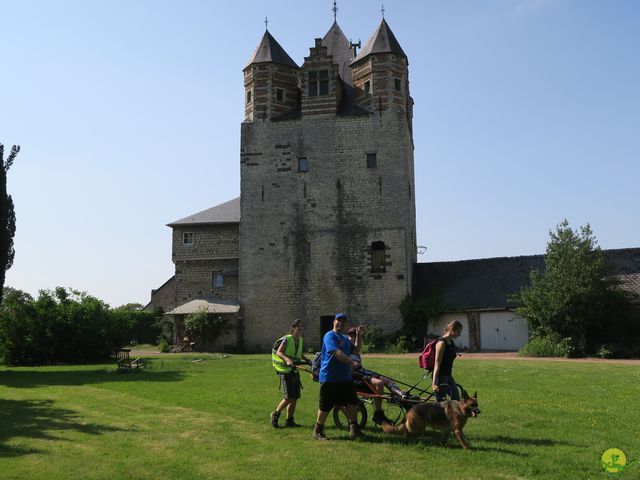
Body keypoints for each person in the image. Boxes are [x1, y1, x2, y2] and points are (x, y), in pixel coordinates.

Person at [312, 313, 365, 441]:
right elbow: (336, 352)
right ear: (334, 322)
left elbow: (356, 350)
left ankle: (354, 429)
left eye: (343, 321)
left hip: (345, 377)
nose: (340, 323)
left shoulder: (346, 339)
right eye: (338, 320)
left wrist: (359, 335)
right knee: (325, 406)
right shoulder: (329, 336)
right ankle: (317, 431)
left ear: (346, 324)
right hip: (330, 377)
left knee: (352, 403)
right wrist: (352, 363)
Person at [346, 327, 391, 425]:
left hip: (362, 374)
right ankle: (378, 414)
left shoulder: (356, 352)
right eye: (350, 336)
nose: (352, 338)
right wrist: (358, 336)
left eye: (354, 336)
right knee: (379, 383)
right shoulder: (346, 349)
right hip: (355, 378)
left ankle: (403, 397)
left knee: (387, 380)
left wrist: (359, 336)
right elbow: (356, 349)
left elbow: (357, 349)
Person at [270, 319, 311, 428]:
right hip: (285, 370)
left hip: (294, 370)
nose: (301, 328)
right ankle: (275, 414)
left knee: (295, 397)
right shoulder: (287, 339)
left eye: (302, 327)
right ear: (293, 328)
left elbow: (298, 353)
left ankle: (289, 421)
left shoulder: (300, 340)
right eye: (298, 326)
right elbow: (279, 352)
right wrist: (287, 360)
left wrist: (307, 360)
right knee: (289, 397)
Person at [432, 320, 463, 402]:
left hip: (448, 376)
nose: (459, 334)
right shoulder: (441, 343)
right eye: (458, 331)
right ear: (452, 329)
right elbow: (437, 364)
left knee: (456, 400)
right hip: (440, 377)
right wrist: (434, 383)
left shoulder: (451, 342)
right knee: (440, 404)